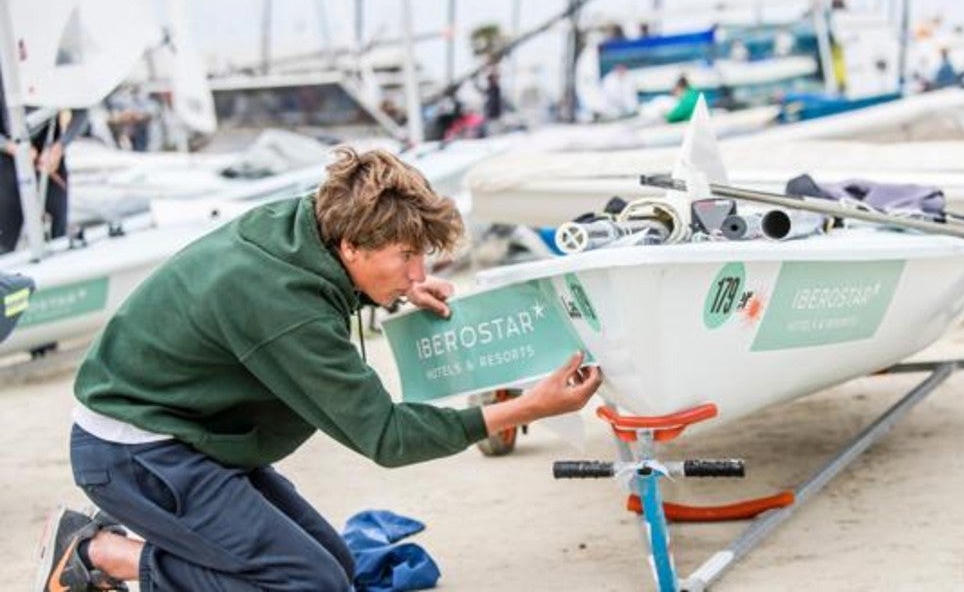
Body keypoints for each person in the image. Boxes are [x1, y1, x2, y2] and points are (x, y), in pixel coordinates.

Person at [33, 147, 602, 590]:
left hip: (189, 430)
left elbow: (313, 294)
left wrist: (393, 293)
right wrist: (528, 407)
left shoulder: (309, 224)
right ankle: (96, 555)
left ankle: (123, 551)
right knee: (305, 582)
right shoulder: (284, 305)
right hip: (134, 452)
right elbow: (388, 437)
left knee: (335, 566)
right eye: (406, 257)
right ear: (352, 245)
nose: (417, 271)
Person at [1, 68, 85, 252]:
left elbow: (82, 109)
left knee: (58, 231)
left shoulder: (55, 60)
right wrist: (12, 148)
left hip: (49, 154)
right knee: (5, 238)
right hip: (8, 158)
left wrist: (59, 147)